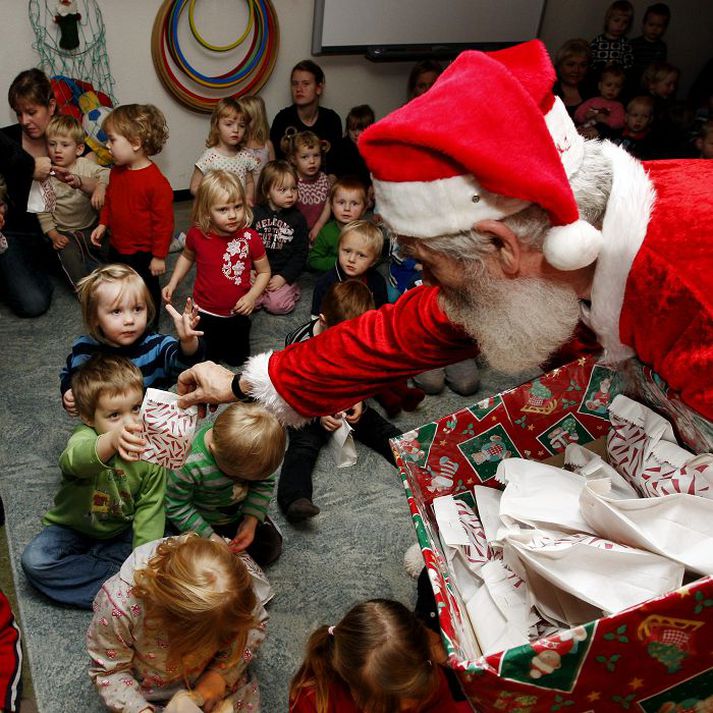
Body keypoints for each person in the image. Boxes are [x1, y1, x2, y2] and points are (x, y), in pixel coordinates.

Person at [176, 40, 713, 427]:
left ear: (501, 244)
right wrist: (249, 382)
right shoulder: (532, 257)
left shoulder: (692, 285)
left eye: (431, 266)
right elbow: (399, 332)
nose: (427, 284)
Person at [21, 354, 165, 609]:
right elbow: (73, 461)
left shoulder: (149, 453)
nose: (130, 423)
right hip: (73, 526)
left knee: (152, 552)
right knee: (35, 561)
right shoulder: (84, 435)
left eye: (136, 408)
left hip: (121, 530)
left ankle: (122, 583)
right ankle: (121, 589)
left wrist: (143, 567)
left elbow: (150, 510)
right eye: (114, 416)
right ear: (89, 418)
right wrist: (110, 442)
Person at [87, 534, 268, 712]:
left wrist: (219, 675)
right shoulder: (120, 609)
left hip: (208, 676)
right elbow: (109, 671)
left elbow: (254, 624)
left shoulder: (233, 588)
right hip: (149, 689)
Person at [278, 280, 401, 522]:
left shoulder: (360, 338)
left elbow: (363, 372)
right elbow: (292, 388)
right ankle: (295, 498)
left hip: (344, 396)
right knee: (302, 446)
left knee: (377, 426)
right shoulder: (298, 342)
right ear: (323, 321)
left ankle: (413, 457)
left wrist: (356, 398)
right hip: (306, 404)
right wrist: (318, 413)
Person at [311, 221, 424, 418]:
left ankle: (402, 391)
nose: (351, 259)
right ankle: (387, 398)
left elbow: (380, 316)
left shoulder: (376, 282)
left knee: (388, 357)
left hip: (366, 335)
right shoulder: (326, 283)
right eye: (346, 251)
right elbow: (315, 320)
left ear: (373, 261)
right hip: (337, 341)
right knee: (356, 372)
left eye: (361, 255)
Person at [60, 263, 203, 416]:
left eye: (137, 309)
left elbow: (184, 363)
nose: (129, 320)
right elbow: (71, 372)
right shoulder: (85, 348)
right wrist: (68, 389)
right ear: (94, 317)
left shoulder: (157, 346)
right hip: (104, 426)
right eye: (116, 311)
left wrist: (187, 341)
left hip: (149, 423)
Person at [162, 170, 269, 366]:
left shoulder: (250, 238)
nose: (233, 215)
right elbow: (186, 256)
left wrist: (252, 296)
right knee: (206, 361)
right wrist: (173, 281)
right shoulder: (197, 235)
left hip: (238, 313)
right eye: (223, 209)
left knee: (237, 361)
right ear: (206, 211)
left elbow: (264, 272)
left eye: (237, 206)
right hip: (205, 312)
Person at [289, 598, 471, 712]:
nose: (408, 708)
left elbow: (443, 706)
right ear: (356, 693)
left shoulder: (425, 679)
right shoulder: (313, 698)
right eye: (390, 709)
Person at [166, 401, 286, 566]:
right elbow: (176, 506)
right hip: (199, 520)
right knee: (191, 563)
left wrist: (251, 519)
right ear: (213, 450)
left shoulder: (252, 464)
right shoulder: (188, 464)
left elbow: (264, 482)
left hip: (236, 514)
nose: (245, 480)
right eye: (239, 475)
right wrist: (209, 536)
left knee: (270, 548)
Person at [90, 104, 173, 330]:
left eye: (112, 140)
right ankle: (121, 320)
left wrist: (158, 256)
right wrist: (103, 223)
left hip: (144, 253)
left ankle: (150, 326)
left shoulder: (157, 183)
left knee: (145, 289)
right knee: (119, 286)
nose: (107, 145)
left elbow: (164, 224)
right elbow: (110, 200)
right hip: (118, 246)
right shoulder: (116, 172)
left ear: (135, 143)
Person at [0, 68, 57, 317]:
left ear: (51, 107)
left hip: (61, 232)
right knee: (33, 303)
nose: (24, 120)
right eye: (19, 113)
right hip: (16, 233)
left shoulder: (68, 137)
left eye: (32, 112)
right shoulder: (7, 141)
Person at [37, 115, 110, 288]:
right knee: (71, 261)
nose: (57, 150)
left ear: (78, 149)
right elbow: (43, 211)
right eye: (52, 144)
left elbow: (107, 173)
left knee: (113, 251)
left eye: (64, 145)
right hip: (65, 232)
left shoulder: (84, 164)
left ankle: (115, 278)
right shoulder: (44, 175)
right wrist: (54, 235)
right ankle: (85, 289)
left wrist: (100, 187)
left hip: (92, 226)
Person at [251, 160, 308, 315]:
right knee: (246, 302)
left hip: (281, 273)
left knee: (277, 306)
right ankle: (262, 295)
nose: (290, 194)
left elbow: (301, 254)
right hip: (257, 272)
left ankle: (289, 290)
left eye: (293, 188)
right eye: (282, 190)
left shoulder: (298, 219)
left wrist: (284, 277)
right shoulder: (254, 215)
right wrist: (249, 271)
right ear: (267, 192)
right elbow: (244, 245)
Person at [270, 59, 342, 175]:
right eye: (295, 84)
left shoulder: (331, 119)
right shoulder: (282, 119)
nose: (299, 89)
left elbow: (336, 164)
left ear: (318, 88)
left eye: (306, 84)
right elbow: (276, 165)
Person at [189, 98, 257, 205]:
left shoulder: (245, 156)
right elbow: (194, 186)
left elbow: (249, 182)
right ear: (217, 126)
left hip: (239, 210)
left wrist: (248, 197)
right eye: (229, 124)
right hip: (216, 211)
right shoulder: (209, 157)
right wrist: (211, 197)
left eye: (241, 126)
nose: (236, 130)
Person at [308, 177, 368, 273]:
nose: (347, 208)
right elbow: (313, 260)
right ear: (332, 205)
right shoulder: (326, 232)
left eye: (354, 203)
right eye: (341, 202)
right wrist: (340, 262)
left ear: (364, 209)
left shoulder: (367, 233)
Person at [282, 130, 333, 242]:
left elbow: (327, 205)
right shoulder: (291, 180)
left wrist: (318, 226)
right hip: (294, 231)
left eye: (316, 155)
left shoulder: (323, 179)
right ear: (294, 159)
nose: (312, 161)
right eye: (305, 157)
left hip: (319, 228)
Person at [332, 105, 375, 191]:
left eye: (361, 129)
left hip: (365, 192)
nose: (356, 134)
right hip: (343, 190)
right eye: (352, 129)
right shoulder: (340, 146)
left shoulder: (373, 148)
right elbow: (334, 171)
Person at [574, 64, 626, 134]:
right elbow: (577, 115)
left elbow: (620, 123)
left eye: (617, 86)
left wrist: (606, 120)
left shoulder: (617, 106)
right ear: (600, 86)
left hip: (601, 135)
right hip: (583, 130)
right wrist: (585, 115)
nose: (612, 89)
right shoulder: (592, 101)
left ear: (621, 90)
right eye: (608, 85)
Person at [629, 3, 670, 90]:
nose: (654, 29)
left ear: (664, 28)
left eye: (659, 26)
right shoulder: (634, 43)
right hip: (633, 82)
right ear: (644, 24)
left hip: (652, 84)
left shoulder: (661, 47)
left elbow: (661, 68)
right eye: (651, 25)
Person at [241, 94, 276, 189]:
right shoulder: (238, 146)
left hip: (263, 195)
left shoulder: (267, 145)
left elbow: (274, 173)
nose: (244, 123)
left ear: (258, 119)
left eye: (248, 119)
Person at [552, 39, 593, 119]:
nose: (576, 70)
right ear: (559, 66)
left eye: (583, 65)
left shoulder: (596, 90)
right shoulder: (546, 89)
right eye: (570, 64)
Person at [590, 1, 634, 73]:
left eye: (625, 22)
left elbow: (629, 64)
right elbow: (591, 62)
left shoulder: (626, 43)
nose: (620, 25)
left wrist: (616, 66)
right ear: (607, 20)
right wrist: (603, 65)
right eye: (616, 20)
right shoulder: (597, 41)